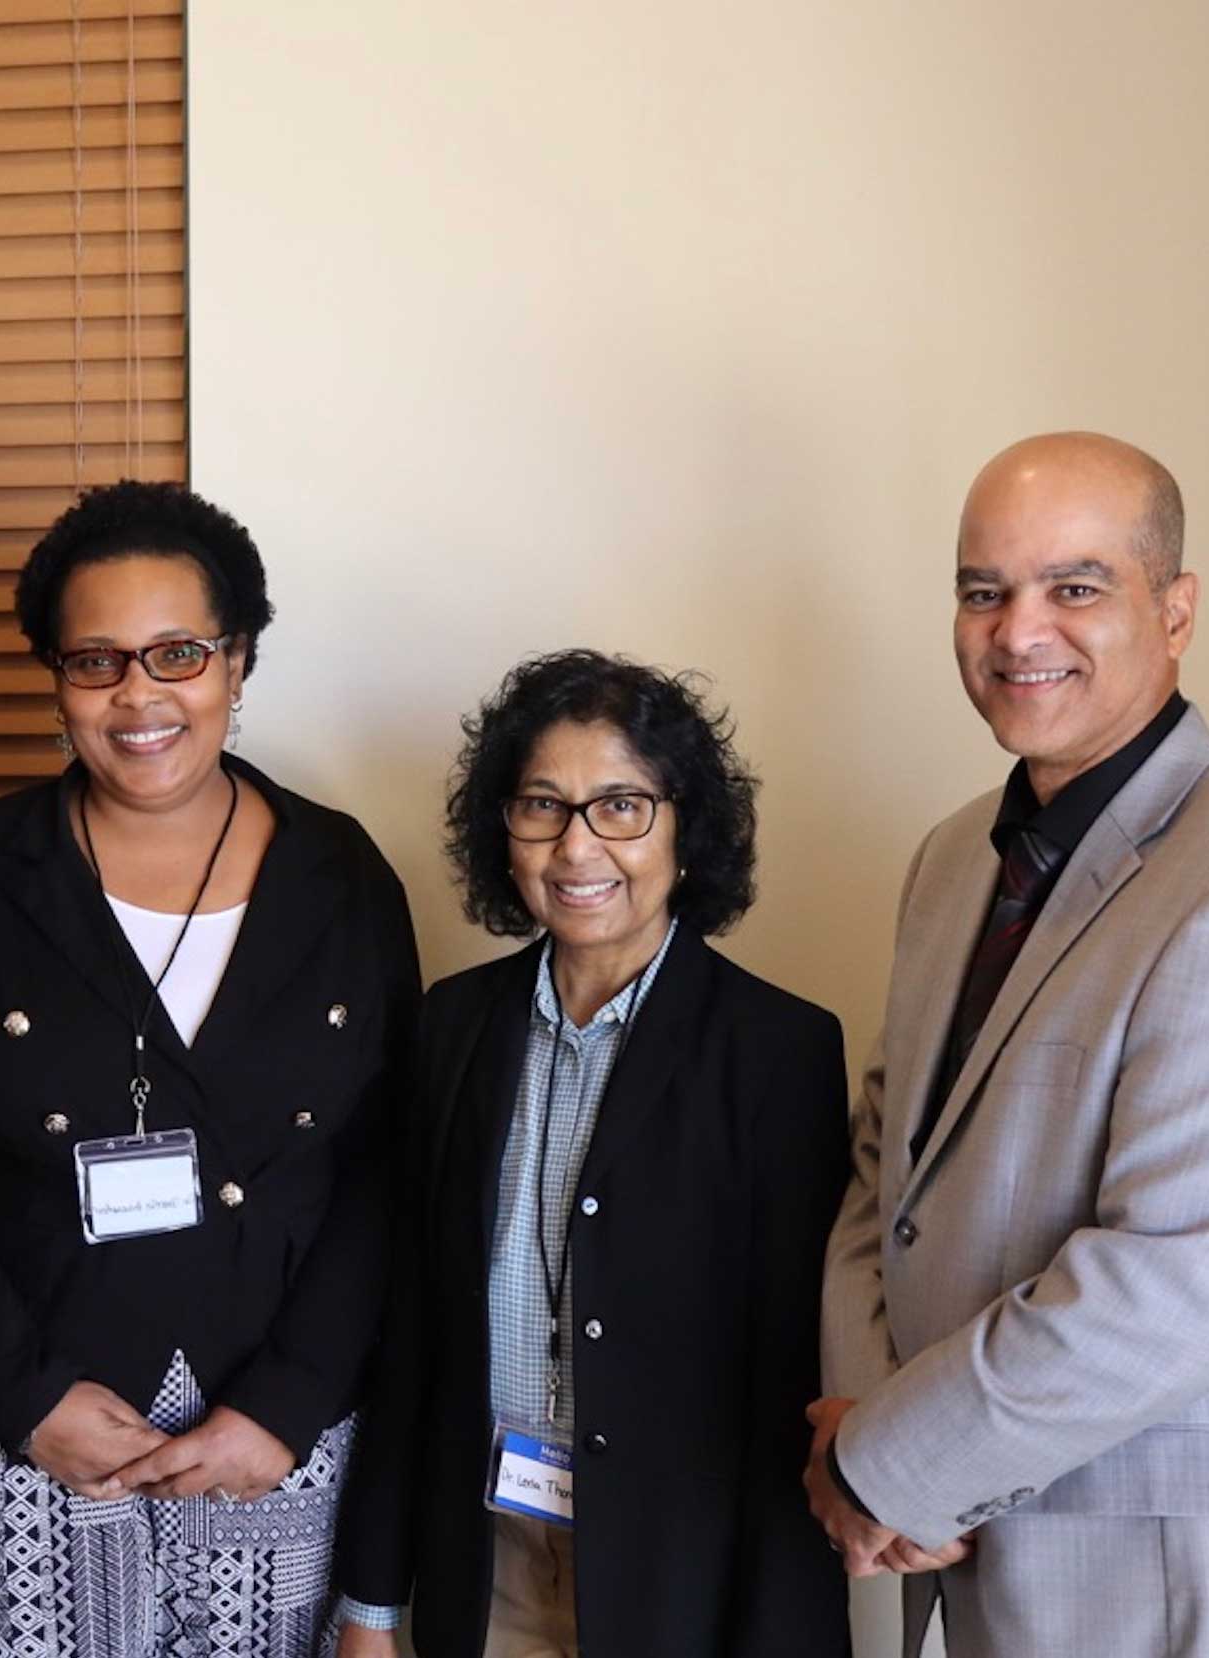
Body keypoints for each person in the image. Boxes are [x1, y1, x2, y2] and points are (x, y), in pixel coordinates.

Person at [808, 432, 1209, 1657]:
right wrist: (867, 1426)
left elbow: (1171, 1288)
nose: (1019, 630)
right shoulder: (948, 860)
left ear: (1175, 611)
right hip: (960, 1558)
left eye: (1076, 586)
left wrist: (884, 1465)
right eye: (984, 590)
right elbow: (886, 1178)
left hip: (1162, 1596)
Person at [0, 479, 421, 1656]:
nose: (139, 695)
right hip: (27, 1437)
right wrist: (24, 1394)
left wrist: (289, 1403)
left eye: (177, 652)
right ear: (56, 680)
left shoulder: (343, 874)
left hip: (270, 1438)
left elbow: (384, 1167)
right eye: (96, 661)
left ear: (238, 660)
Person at [337, 650, 850, 1658]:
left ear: (685, 829)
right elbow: (409, 1333)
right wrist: (371, 1604)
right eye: (543, 806)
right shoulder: (452, 1026)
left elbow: (790, 1377)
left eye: (620, 805)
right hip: (481, 1557)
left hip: (678, 1579)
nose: (577, 846)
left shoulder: (777, 1050)